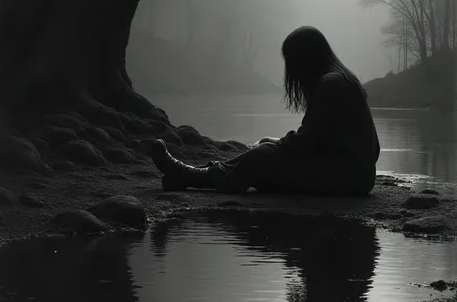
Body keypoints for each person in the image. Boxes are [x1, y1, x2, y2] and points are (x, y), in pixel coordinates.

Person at [151, 26, 380, 196]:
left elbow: (305, 143)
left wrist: (276, 146)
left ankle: (191, 175)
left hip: (347, 178)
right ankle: (187, 179)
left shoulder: (331, 84)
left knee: (262, 155)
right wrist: (277, 143)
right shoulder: (342, 80)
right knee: (265, 151)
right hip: (356, 176)